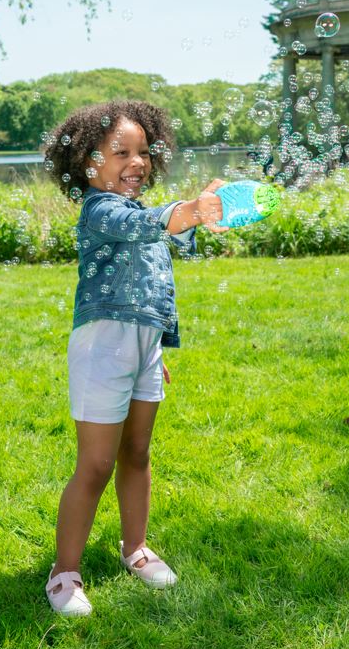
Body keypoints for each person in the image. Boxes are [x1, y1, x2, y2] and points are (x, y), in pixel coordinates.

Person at [42, 99, 227, 616]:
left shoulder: (141, 212)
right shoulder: (100, 210)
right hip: (103, 351)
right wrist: (184, 212)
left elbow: (164, 251)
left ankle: (135, 549)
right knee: (97, 463)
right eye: (120, 151)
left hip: (142, 352)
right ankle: (64, 572)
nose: (137, 160)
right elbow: (143, 227)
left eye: (143, 151)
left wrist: (202, 213)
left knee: (137, 453)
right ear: (88, 163)